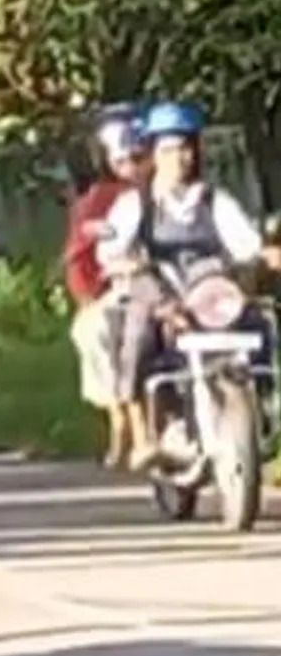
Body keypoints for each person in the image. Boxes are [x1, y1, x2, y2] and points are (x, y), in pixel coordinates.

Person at [96, 100, 281, 471]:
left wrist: (268, 255)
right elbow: (109, 251)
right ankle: (146, 433)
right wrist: (124, 263)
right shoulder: (135, 205)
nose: (179, 158)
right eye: (168, 150)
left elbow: (246, 245)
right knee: (138, 333)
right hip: (158, 293)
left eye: (185, 148)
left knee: (261, 324)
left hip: (210, 296)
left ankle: (262, 406)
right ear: (152, 154)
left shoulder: (216, 201)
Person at [62, 104, 150, 468]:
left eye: (138, 157)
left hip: (182, 283)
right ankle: (123, 422)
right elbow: (83, 257)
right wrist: (92, 290)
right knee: (101, 329)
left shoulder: (183, 191)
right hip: (120, 287)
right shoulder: (99, 201)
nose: (132, 166)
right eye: (122, 159)